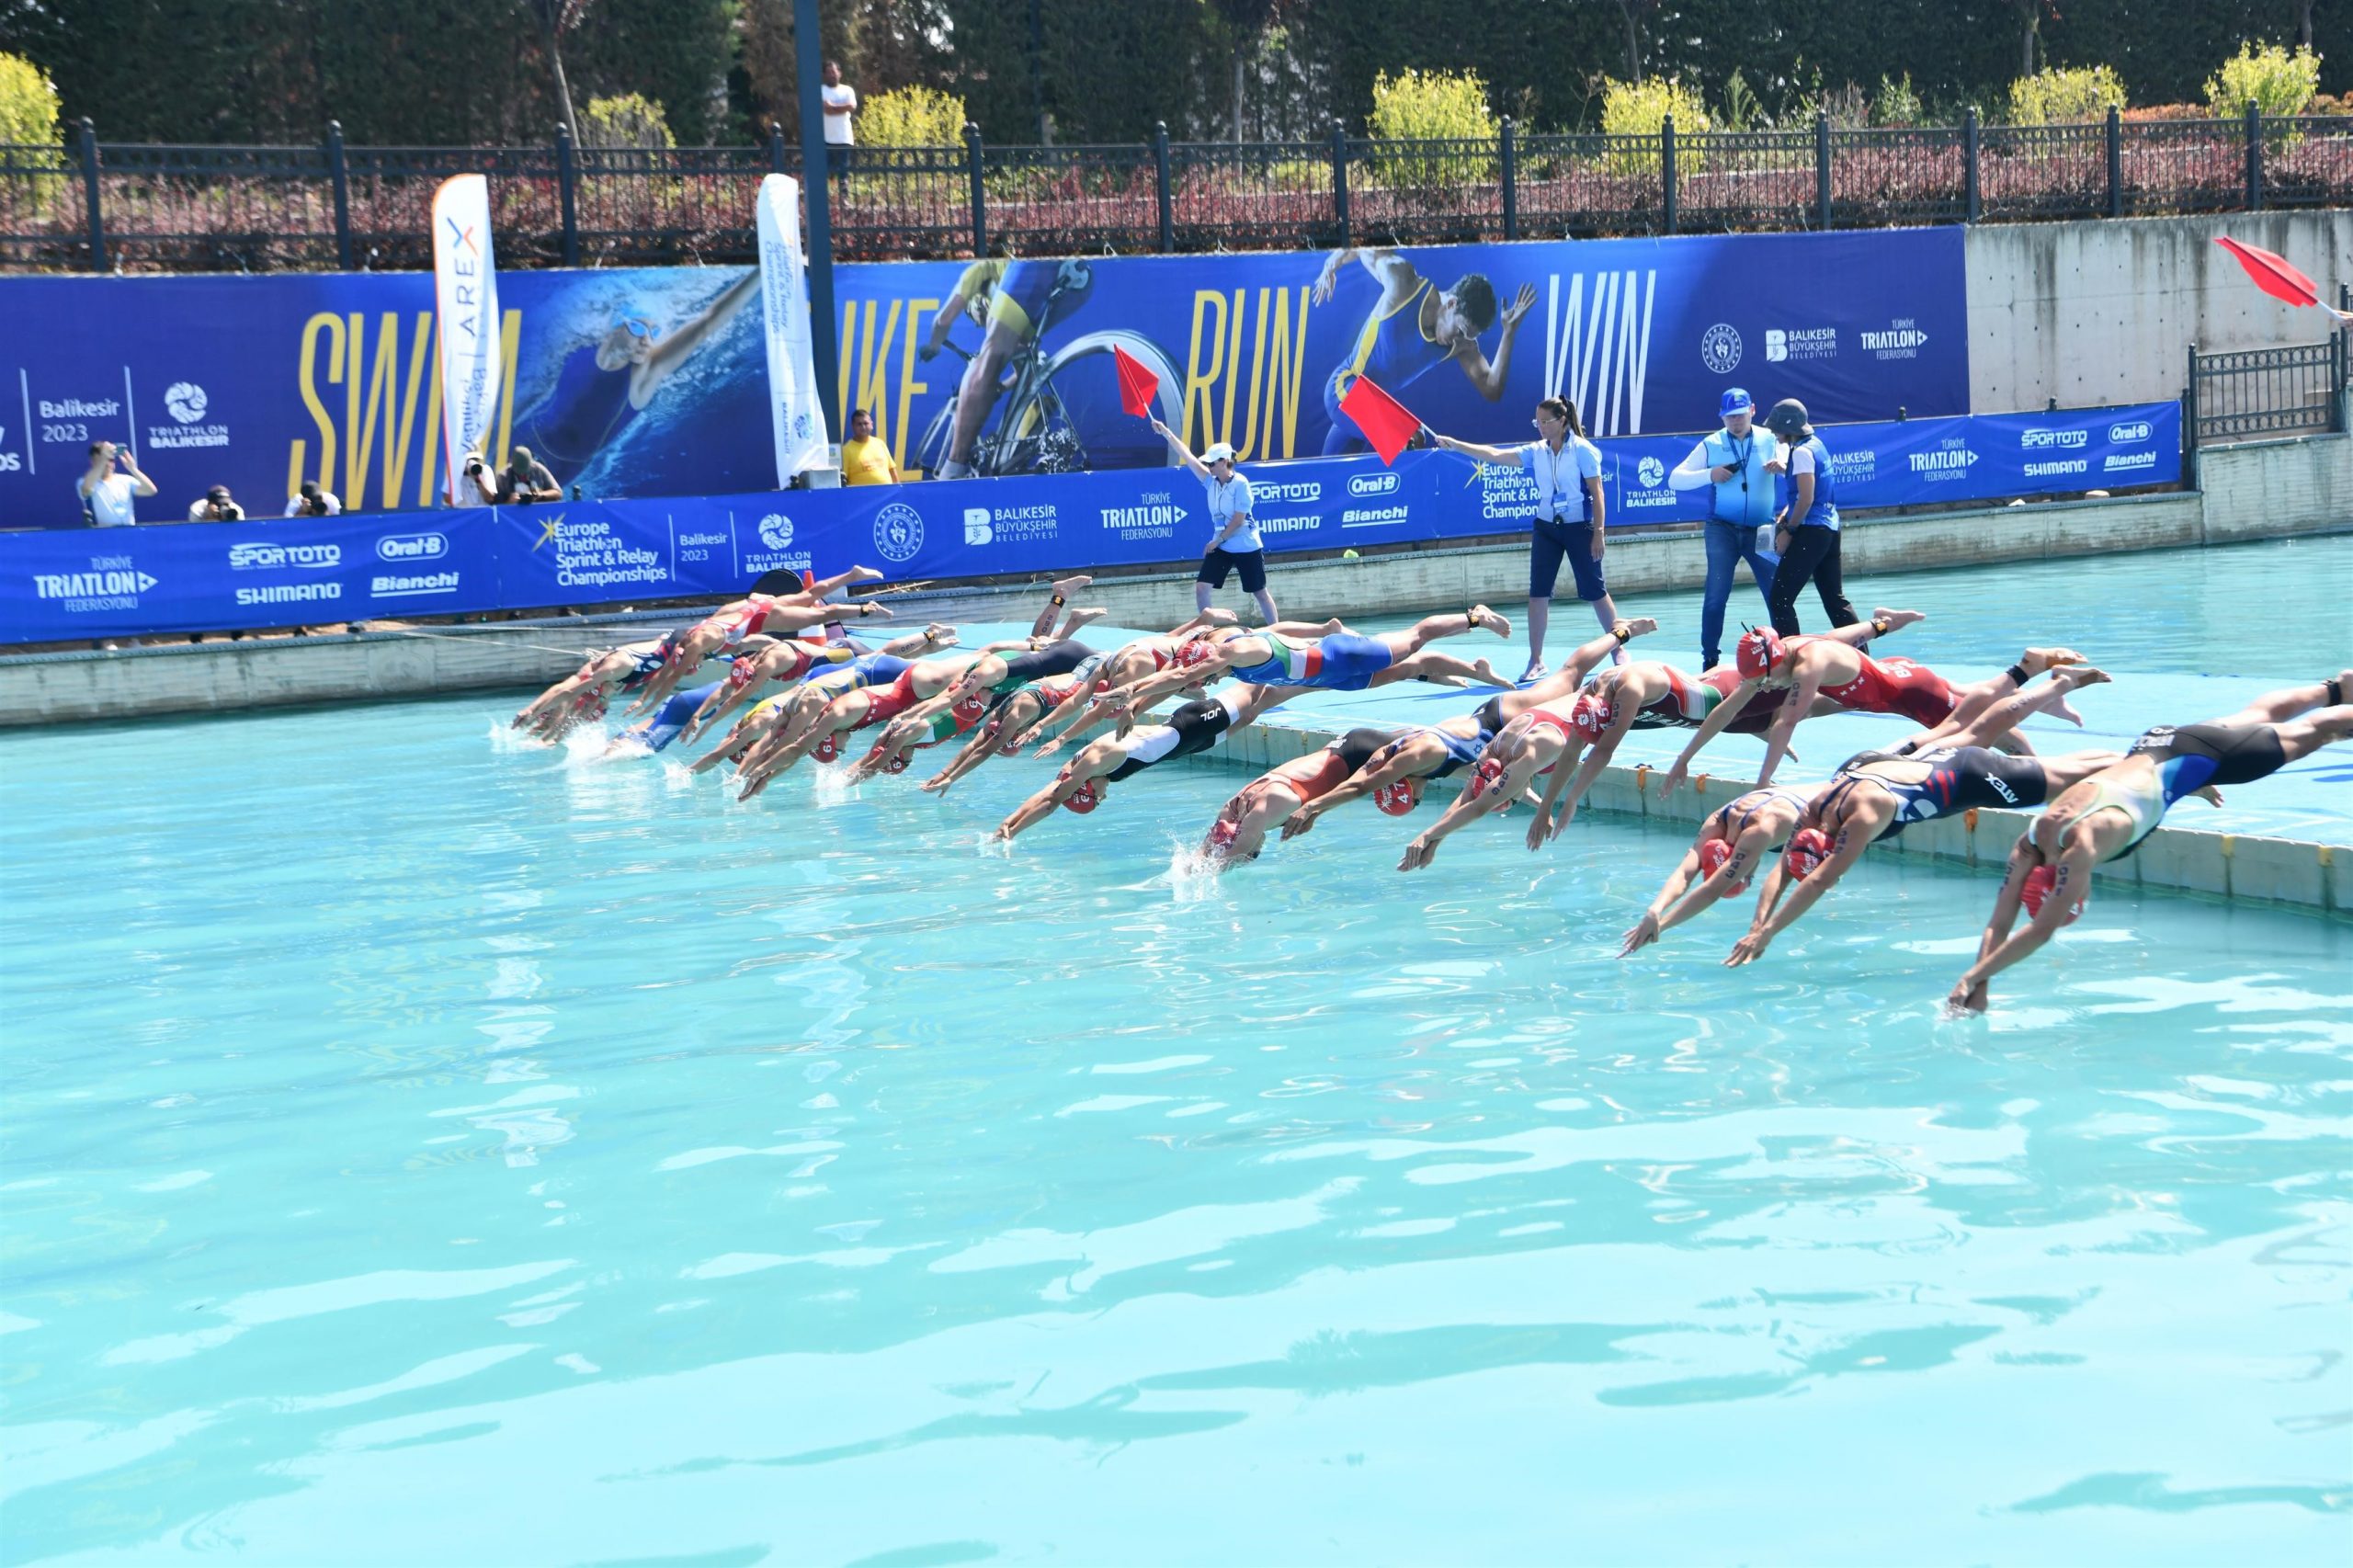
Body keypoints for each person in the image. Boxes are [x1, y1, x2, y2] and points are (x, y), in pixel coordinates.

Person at [1949, 674, 2353, 1012]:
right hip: (2161, 742)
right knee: (2259, 716)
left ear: (2071, 888)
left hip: (2203, 762)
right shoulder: (2031, 841)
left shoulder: (2084, 846)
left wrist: (1969, 980)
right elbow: (1999, 922)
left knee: (2318, 732)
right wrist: (1980, 981)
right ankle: (2336, 687)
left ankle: (2338, 700)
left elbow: (2040, 931)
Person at [1722, 665, 2120, 966]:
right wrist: (1758, 925)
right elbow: (1782, 873)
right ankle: (2058, 683)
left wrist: (1769, 933)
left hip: (1969, 779)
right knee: (1978, 725)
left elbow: (1818, 881)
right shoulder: (1816, 809)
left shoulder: (1861, 820)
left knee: (2068, 776)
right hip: (1906, 762)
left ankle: (2142, 758)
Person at [1280, 621, 1659, 840]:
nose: (1418, 802)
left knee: (1571, 676)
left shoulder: (1422, 756)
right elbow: (1363, 779)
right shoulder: (1418, 764)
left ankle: (1622, 632)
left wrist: (1313, 807)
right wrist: (1539, 807)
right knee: (1573, 686)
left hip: (1503, 719)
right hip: (1497, 728)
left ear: (1406, 787)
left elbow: (1363, 786)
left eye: (1413, 803)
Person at [1659, 619, 2097, 794]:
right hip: (1884, 681)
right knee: (1970, 698)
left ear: (1778, 661)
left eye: (1765, 678)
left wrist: (1763, 782)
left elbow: (1785, 722)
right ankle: (2047, 694)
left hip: (1906, 692)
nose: (1764, 685)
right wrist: (1683, 759)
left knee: (1978, 727)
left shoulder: (1809, 664)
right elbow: (1727, 709)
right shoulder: (1784, 652)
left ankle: (2030, 676)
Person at [507, 269, 760, 487]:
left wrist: (761, 273)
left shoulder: (645, 374)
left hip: (561, 468)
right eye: (638, 328)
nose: (647, 341)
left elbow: (707, 323)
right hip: (525, 437)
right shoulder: (579, 346)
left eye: (654, 332)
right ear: (616, 327)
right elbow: (537, 392)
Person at [1427, 396, 1616, 681]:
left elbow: (1597, 493)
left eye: (1545, 421)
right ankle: (1536, 660)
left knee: (1595, 591)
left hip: (1580, 528)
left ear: (1562, 421)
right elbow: (1495, 455)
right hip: (1546, 527)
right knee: (1538, 593)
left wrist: (1599, 533)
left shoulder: (1583, 450)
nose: (1540, 427)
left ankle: (1618, 649)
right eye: (1537, 422)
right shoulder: (1536, 451)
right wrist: (1456, 444)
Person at [1079, 610, 1513, 724]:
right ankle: (1474, 669)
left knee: (1416, 638)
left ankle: (1475, 617)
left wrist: (1129, 691)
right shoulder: (1229, 668)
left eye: (1204, 678)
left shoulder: (1235, 652)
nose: (1202, 684)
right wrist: (1134, 706)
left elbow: (1178, 676)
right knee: (1405, 669)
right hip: (1332, 678)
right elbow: (1177, 680)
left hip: (1343, 655)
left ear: (1208, 665)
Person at [992, 685, 1291, 844]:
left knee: (1255, 687)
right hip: (1191, 744)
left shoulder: (1097, 761)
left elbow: (1052, 803)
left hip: (1193, 725)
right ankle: (1310, 682)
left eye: (1098, 798)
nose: (1105, 797)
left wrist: (1016, 832)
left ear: (1085, 788)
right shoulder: (1080, 769)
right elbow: (1049, 792)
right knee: (1253, 713)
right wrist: (1009, 823)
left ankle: (1286, 654)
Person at [1310, 246, 1535, 455]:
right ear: (1451, 304)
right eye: (1459, 330)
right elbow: (1366, 249)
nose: (1457, 340)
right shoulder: (1404, 283)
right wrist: (1332, 263)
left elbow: (1491, 389)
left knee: (1329, 477)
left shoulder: (1463, 343)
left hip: (1373, 406)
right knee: (1412, 437)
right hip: (1346, 388)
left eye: (1467, 336)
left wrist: (1508, 334)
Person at [919, 256, 1094, 479]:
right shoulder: (1013, 312)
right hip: (1081, 286)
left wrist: (933, 346)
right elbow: (1023, 376)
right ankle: (1020, 450)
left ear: (978, 303)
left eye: (975, 319)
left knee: (990, 352)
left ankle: (953, 468)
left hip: (1033, 270)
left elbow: (942, 320)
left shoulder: (981, 271)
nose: (979, 324)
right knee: (1024, 373)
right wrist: (1000, 387)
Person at [626, 566, 889, 713]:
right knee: (808, 597)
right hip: (755, 608)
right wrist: (643, 698)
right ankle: (852, 575)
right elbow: (668, 670)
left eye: (692, 664)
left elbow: (673, 676)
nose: (694, 665)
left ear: (688, 653)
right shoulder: (696, 636)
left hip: (762, 615)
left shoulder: (698, 643)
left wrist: (650, 703)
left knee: (819, 614)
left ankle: (864, 607)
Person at [1669, 387, 1780, 671]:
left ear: (1752, 411)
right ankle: (1710, 660)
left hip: (1763, 529)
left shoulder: (1770, 438)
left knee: (1777, 593)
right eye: (1730, 416)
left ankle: (1788, 652)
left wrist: (1783, 465)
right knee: (1716, 597)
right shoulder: (1712, 443)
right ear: (1722, 417)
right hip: (1722, 529)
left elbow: (1797, 464)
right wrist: (1710, 474)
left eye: (1740, 415)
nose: (1736, 421)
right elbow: (1675, 479)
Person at [1199, 729, 1395, 867]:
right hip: (1346, 746)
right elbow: (1203, 852)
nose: (1257, 852)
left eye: (1255, 854)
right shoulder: (1233, 806)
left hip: (1360, 753)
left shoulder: (1260, 816)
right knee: (1411, 736)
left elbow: (1230, 860)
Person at [1151, 418, 1279, 625]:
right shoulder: (1210, 481)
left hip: (1245, 545)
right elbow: (1187, 455)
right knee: (1202, 587)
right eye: (1207, 463)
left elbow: (1238, 520)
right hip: (1222, 545)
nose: (1208, 466)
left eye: (1212, 463)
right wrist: (1166, 432)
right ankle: (1207, 630)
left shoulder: (1241, 484)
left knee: (1260, 592)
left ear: (1224, 462)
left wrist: (1217, 541)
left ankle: (1277, 631)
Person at [1758, 399, 1856, 637]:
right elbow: (1811, 487)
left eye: (1776, 427)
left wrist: (1789, 531)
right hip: (1829, 529)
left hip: (1811, 532)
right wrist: (1785, 470)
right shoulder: (1816, 445)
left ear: (1788, 427)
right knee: (1835, 599)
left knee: (1780, 598)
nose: (1773, 432)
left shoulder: (1801, 452)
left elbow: (1806, 498)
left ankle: (1790, 655)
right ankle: (1862, 653)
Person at [77, 440, 154, 528]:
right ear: (92, 462)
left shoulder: (126, 480)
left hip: (129, 531)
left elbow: (150, 491)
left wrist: (133, 469)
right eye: (102, 459)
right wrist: (104, 457)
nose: (107, 464)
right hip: (103, 533)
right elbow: (86, 490)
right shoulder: (84, 481)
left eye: (111, 460)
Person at [471, 446, 562, 506]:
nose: (522, 474)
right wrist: (509, 502)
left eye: (524, 470)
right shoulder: (503, 476)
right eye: (519, 471)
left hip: (539, 512)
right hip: (514, 518)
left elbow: (558, 493)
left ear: (530, 464)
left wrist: (538, 495)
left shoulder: (538, 469)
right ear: (512, 464)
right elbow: (496, 507)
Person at [840, 408, 898, 486]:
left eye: (866, 423)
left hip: (888, 493)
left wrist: (898, 490)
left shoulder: (880, 443)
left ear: (871, 425)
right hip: (863, 494)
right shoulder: (846, 450)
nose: (863, 427)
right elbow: (842, 480)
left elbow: (892, 470)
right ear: (853, 426)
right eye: (859, 424)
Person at [820, 60, 857, 159]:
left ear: (839, 73)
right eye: (828, 72)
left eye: (833, 72)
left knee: (843, 169)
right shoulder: (820, 90)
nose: (831, 75)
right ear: (824, 75)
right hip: (825, 140)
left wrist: (832, 105)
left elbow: (851, 107)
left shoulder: (847, 90)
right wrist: (843, 108)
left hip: (844, 139)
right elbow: (827, 111)